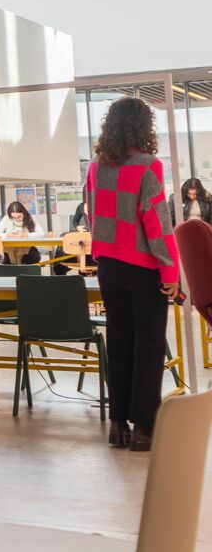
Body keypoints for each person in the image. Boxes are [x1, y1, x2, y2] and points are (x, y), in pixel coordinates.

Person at [86, 96, 179, 452]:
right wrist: (169, 270)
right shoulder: (148, 165)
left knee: (120, 342)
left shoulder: (97, 165)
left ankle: (117, 425)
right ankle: (144, 428)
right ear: (144, 127)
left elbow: (92, 214)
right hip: (143, 267)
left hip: (108, 265)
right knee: (149, 345)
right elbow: (157, 223)